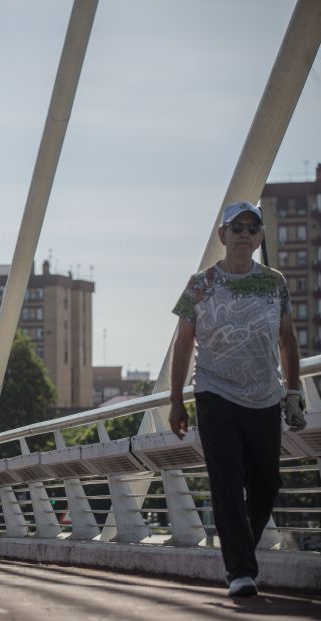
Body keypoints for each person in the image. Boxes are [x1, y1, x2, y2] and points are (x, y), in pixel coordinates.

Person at [169, 201, 306, 598]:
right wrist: (177, 401)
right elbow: (183, 345)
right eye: (237, 227)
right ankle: (241, 571)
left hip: (265, 396)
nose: (245, 234)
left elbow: (288, 339)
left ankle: (238, 545)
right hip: (215, 392)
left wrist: (294, 391)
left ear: (259, 236)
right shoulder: (201, 284)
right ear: (222, 235)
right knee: (226, 481)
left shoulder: (274, 282)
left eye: (252, 228)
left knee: (266, 483)